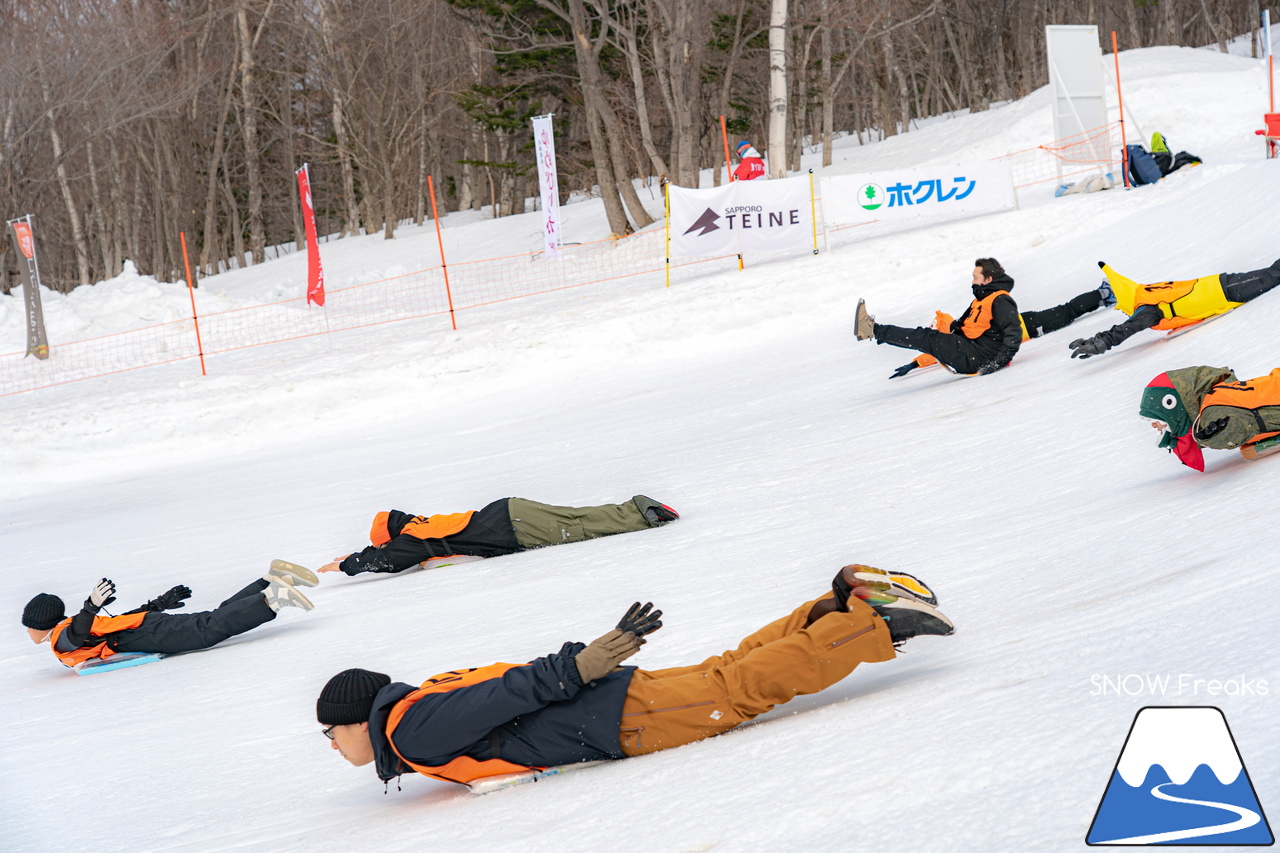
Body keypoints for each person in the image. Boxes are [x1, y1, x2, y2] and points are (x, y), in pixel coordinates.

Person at [316, 564, 953, 789]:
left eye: (329, 733)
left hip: (610, 719)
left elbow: (508, 693)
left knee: (734, 692)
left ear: (354, 719)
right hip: (605, 704)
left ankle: (874, 624)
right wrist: (580, 667)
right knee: (725, 673)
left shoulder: (410, 733)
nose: (334, 746)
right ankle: (829, 609)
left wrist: (578, 665)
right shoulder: (420, 707)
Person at [21, 561, 317, 668]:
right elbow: (111, 623)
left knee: (207, 630)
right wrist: (156, 605)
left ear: (41, 624)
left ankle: (272, 598)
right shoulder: (72, 624)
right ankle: (269, 580)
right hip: (144, 626)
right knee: (211, 620)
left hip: (142, 634)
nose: (28, 632)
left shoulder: (61, 636)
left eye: (28, 626)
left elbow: (78, 636)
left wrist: (89, 607)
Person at [319, 495, 680, 576]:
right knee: (577, 517)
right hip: (508, 511)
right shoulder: (419, 527)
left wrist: (347, 566)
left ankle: (643, 513)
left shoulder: (411, 540)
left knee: (581, 527)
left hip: (514, 527)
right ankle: (637, 508)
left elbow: (386, 559)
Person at [888, 282, 1116, 378]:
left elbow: (934, 351)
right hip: (1024, 322)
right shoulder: (960, 332)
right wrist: (914, 364)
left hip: (1027, 326)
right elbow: (932, 352)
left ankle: (1103, 294)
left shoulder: (959, 336)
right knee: (1066, 311)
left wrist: (914, 364)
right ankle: (1102, 295)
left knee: (1066, 313)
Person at [1068, 257, 1280, 359]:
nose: (1123, 311)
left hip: (1221, 291)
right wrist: (1098, 338)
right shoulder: (1145, 296)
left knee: (1271, 277)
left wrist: (1104, 342)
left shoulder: (1145, 305)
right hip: (1219, 291)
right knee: (1270, 276)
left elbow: (1132, 326)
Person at [855, 258, 1021, 376]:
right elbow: (957, 328)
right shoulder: (980, 300)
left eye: (975, 277)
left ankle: (873, 330)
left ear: (988, 279)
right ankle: (875, 332)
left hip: (976, 357)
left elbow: (1014, 332)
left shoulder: (1000, 300)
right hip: (968, 349)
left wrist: (998, 363)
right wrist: (917, 362)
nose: (972, 282)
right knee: (927, 337)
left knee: (927, 338)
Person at [1139, 366, 1280, 471]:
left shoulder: (1213, 407)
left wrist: (1215, 438)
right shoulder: (1212, 402)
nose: (1154, 426)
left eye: (1155, 420)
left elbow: (1238, 425)